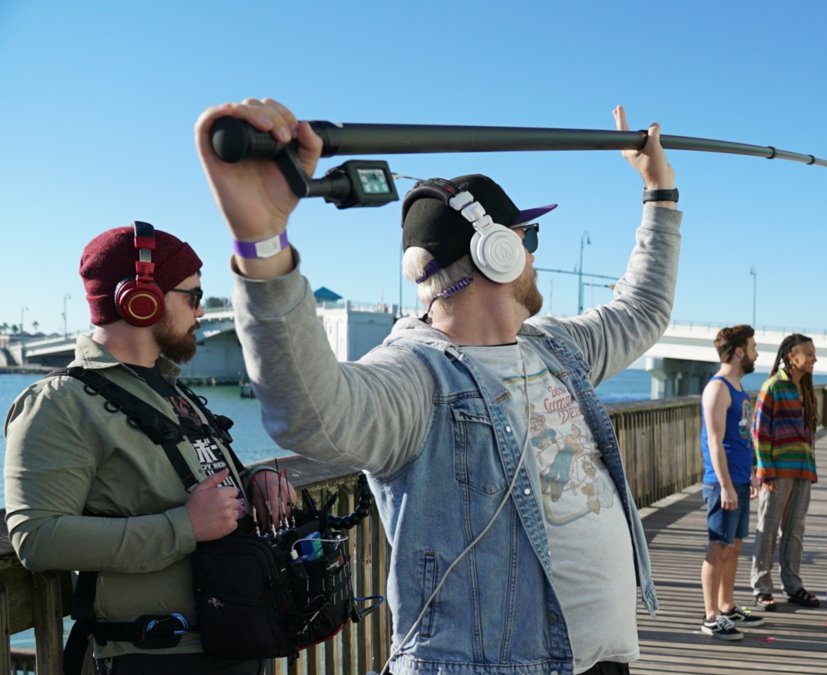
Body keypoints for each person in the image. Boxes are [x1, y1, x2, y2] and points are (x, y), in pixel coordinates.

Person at [195, 98, 679, 675]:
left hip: (601, 660)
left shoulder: (555, 347)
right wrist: (262, 245)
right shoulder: (415, 378)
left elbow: (643, 309)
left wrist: (659, 193)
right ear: (497, 252)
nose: (532, 257)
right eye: (530, 239)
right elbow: (311, 414)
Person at [4, 224, 293, 675]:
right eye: (193, 297)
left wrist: (251, 482)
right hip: (157, 657)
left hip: (236, 639)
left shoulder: (172, 391)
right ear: (142, 300)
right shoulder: (59, 403)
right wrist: (184, 527)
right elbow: (36, 538)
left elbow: (188, 482)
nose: (200, 312)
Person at [699, 324, 765, 640]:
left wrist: (750, 473)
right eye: (752, 347)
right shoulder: (718, 388)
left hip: (739, 478)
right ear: (739, 351)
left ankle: (727, 606)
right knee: (717, 547)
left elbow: (743, 437)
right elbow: (715, 441)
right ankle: (711, 615)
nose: (756, 353)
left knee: (734, 545)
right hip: (721, 482)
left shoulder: (739, 388)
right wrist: (724, 485)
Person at [749, 334, 821, 612]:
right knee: (768, 528)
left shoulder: (805, 386)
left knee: (795, 530)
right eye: (809, 354)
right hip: (777, 471)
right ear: (792, 356)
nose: (814, 359)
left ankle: (792, 585)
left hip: (803, 469)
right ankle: (761, 586)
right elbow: (759, 430)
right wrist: (764, 469)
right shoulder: (773, 386)